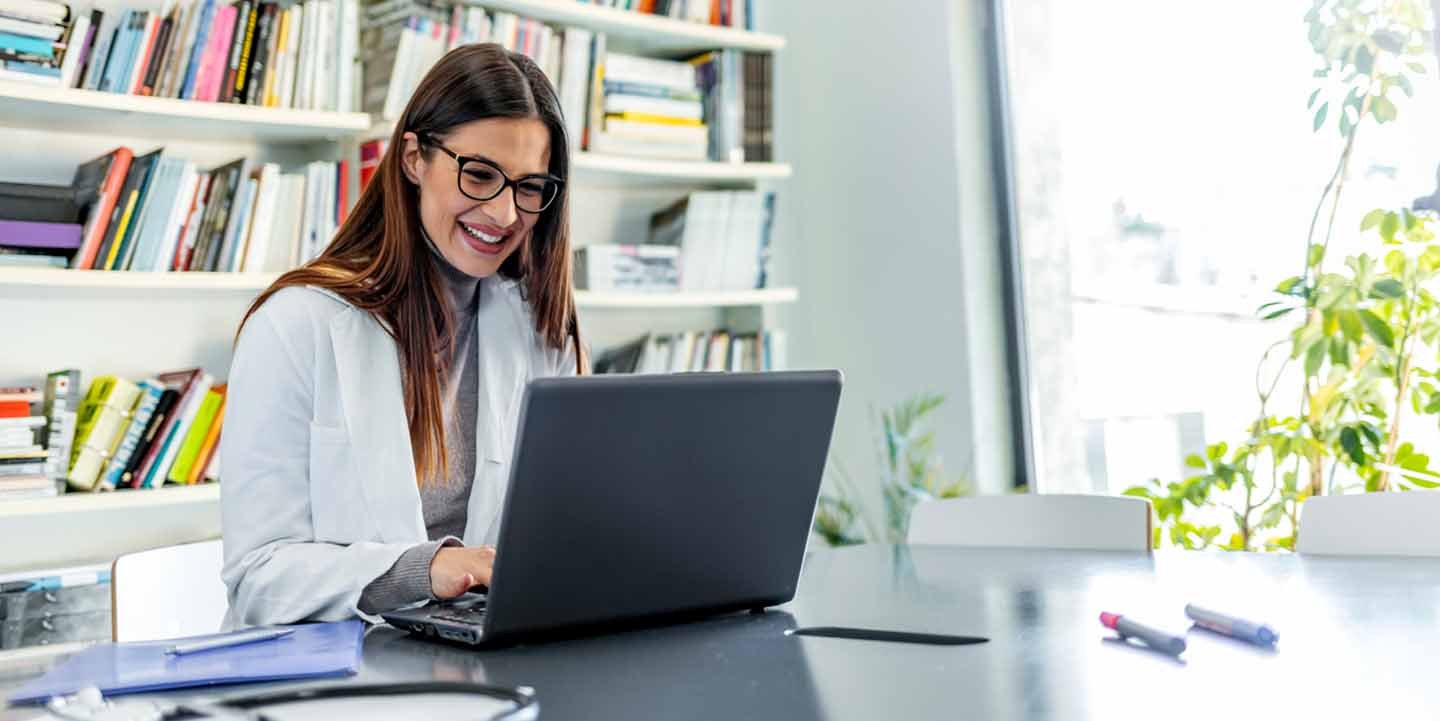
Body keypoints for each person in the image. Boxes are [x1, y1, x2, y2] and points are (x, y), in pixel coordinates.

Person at [219, 44, 584, 628]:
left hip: (479, 659)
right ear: (414, 158)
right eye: (481, 175)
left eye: (530, 187)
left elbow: (561, 526)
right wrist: (424, 570)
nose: (505, 215)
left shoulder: (540, 331)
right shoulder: (294, 324)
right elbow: (259, 578)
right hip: (332, 675)